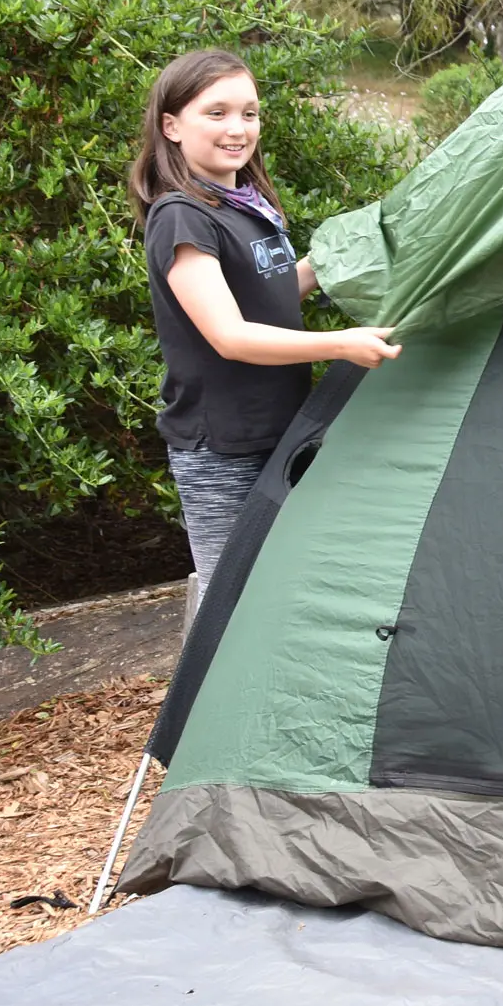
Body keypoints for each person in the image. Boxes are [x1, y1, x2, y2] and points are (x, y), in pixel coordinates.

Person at [129, 49, 400, 628]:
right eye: (217, 113)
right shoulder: (182, 217)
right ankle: (208, 715)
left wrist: (348, 253)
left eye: (249, 113)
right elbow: (229, 335)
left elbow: (273, 293)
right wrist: (340, 343)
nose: (238, 129)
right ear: (171, 126)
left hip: (279, 429)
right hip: (222, 446)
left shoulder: (247, 207)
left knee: (282, 591)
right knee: (234, 607)